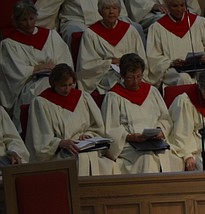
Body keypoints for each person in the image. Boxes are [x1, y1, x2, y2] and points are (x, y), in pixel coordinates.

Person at [25, 64, 114, 176]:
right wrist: (60, 143)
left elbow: (97, 126)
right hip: (59, 154)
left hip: (85, 148)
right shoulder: (41, 103)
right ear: (53, 83)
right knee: (81, 160)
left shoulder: (82, 97)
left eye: (70, 85)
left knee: (108, 165)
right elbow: (41, 140)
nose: (67, 90)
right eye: (63, 85)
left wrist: (88, 135)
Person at [101, 53, 182, 173]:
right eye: (131, 77)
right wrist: (130, 137)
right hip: (129, 145)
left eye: (139, 76)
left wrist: (160, 130)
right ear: (122, 76)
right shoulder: (113, 97)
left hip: (155, 141)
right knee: (147, 159)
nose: (136, 82)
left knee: (168, 157)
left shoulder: (152, 91)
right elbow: (111, 129)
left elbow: (165, 118)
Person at [0, 1, 73, 130]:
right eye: (23, 20)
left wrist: (56, 71)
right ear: (16, 21)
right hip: (29, 84)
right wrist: (36, 68)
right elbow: (13, 72)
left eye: (31, 18)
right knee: (41, 93)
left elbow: (64, 60)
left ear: (36, 17)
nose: (28, 23)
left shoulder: (51, 35)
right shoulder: (9, 44)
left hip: (56, 80)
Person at [145, 0, 205, 87]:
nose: (179, 9)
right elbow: (154, 58)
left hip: (198, 67)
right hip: (173, 70)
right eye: (175, 6)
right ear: (168, 7)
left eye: (182, 5)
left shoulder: (199, 23)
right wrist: (171, 62)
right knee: (184, 78)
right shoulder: (158, 27)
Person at [76, 0, 148, 94]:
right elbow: (86, 65)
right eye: (106, 8)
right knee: (116, 82)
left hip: (131, 72)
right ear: (100, 12)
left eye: (114, 8)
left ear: (119, 11)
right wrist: (111, 62)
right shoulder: (91, 33)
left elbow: (140, 56)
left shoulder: (129, 30)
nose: (111, 12)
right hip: (106, 73)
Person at [126, 0, 203, 31]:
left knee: (198, 20)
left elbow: (193, 7)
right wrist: (153, 6)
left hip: (181, 13)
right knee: (164, 20)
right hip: (151, 14)